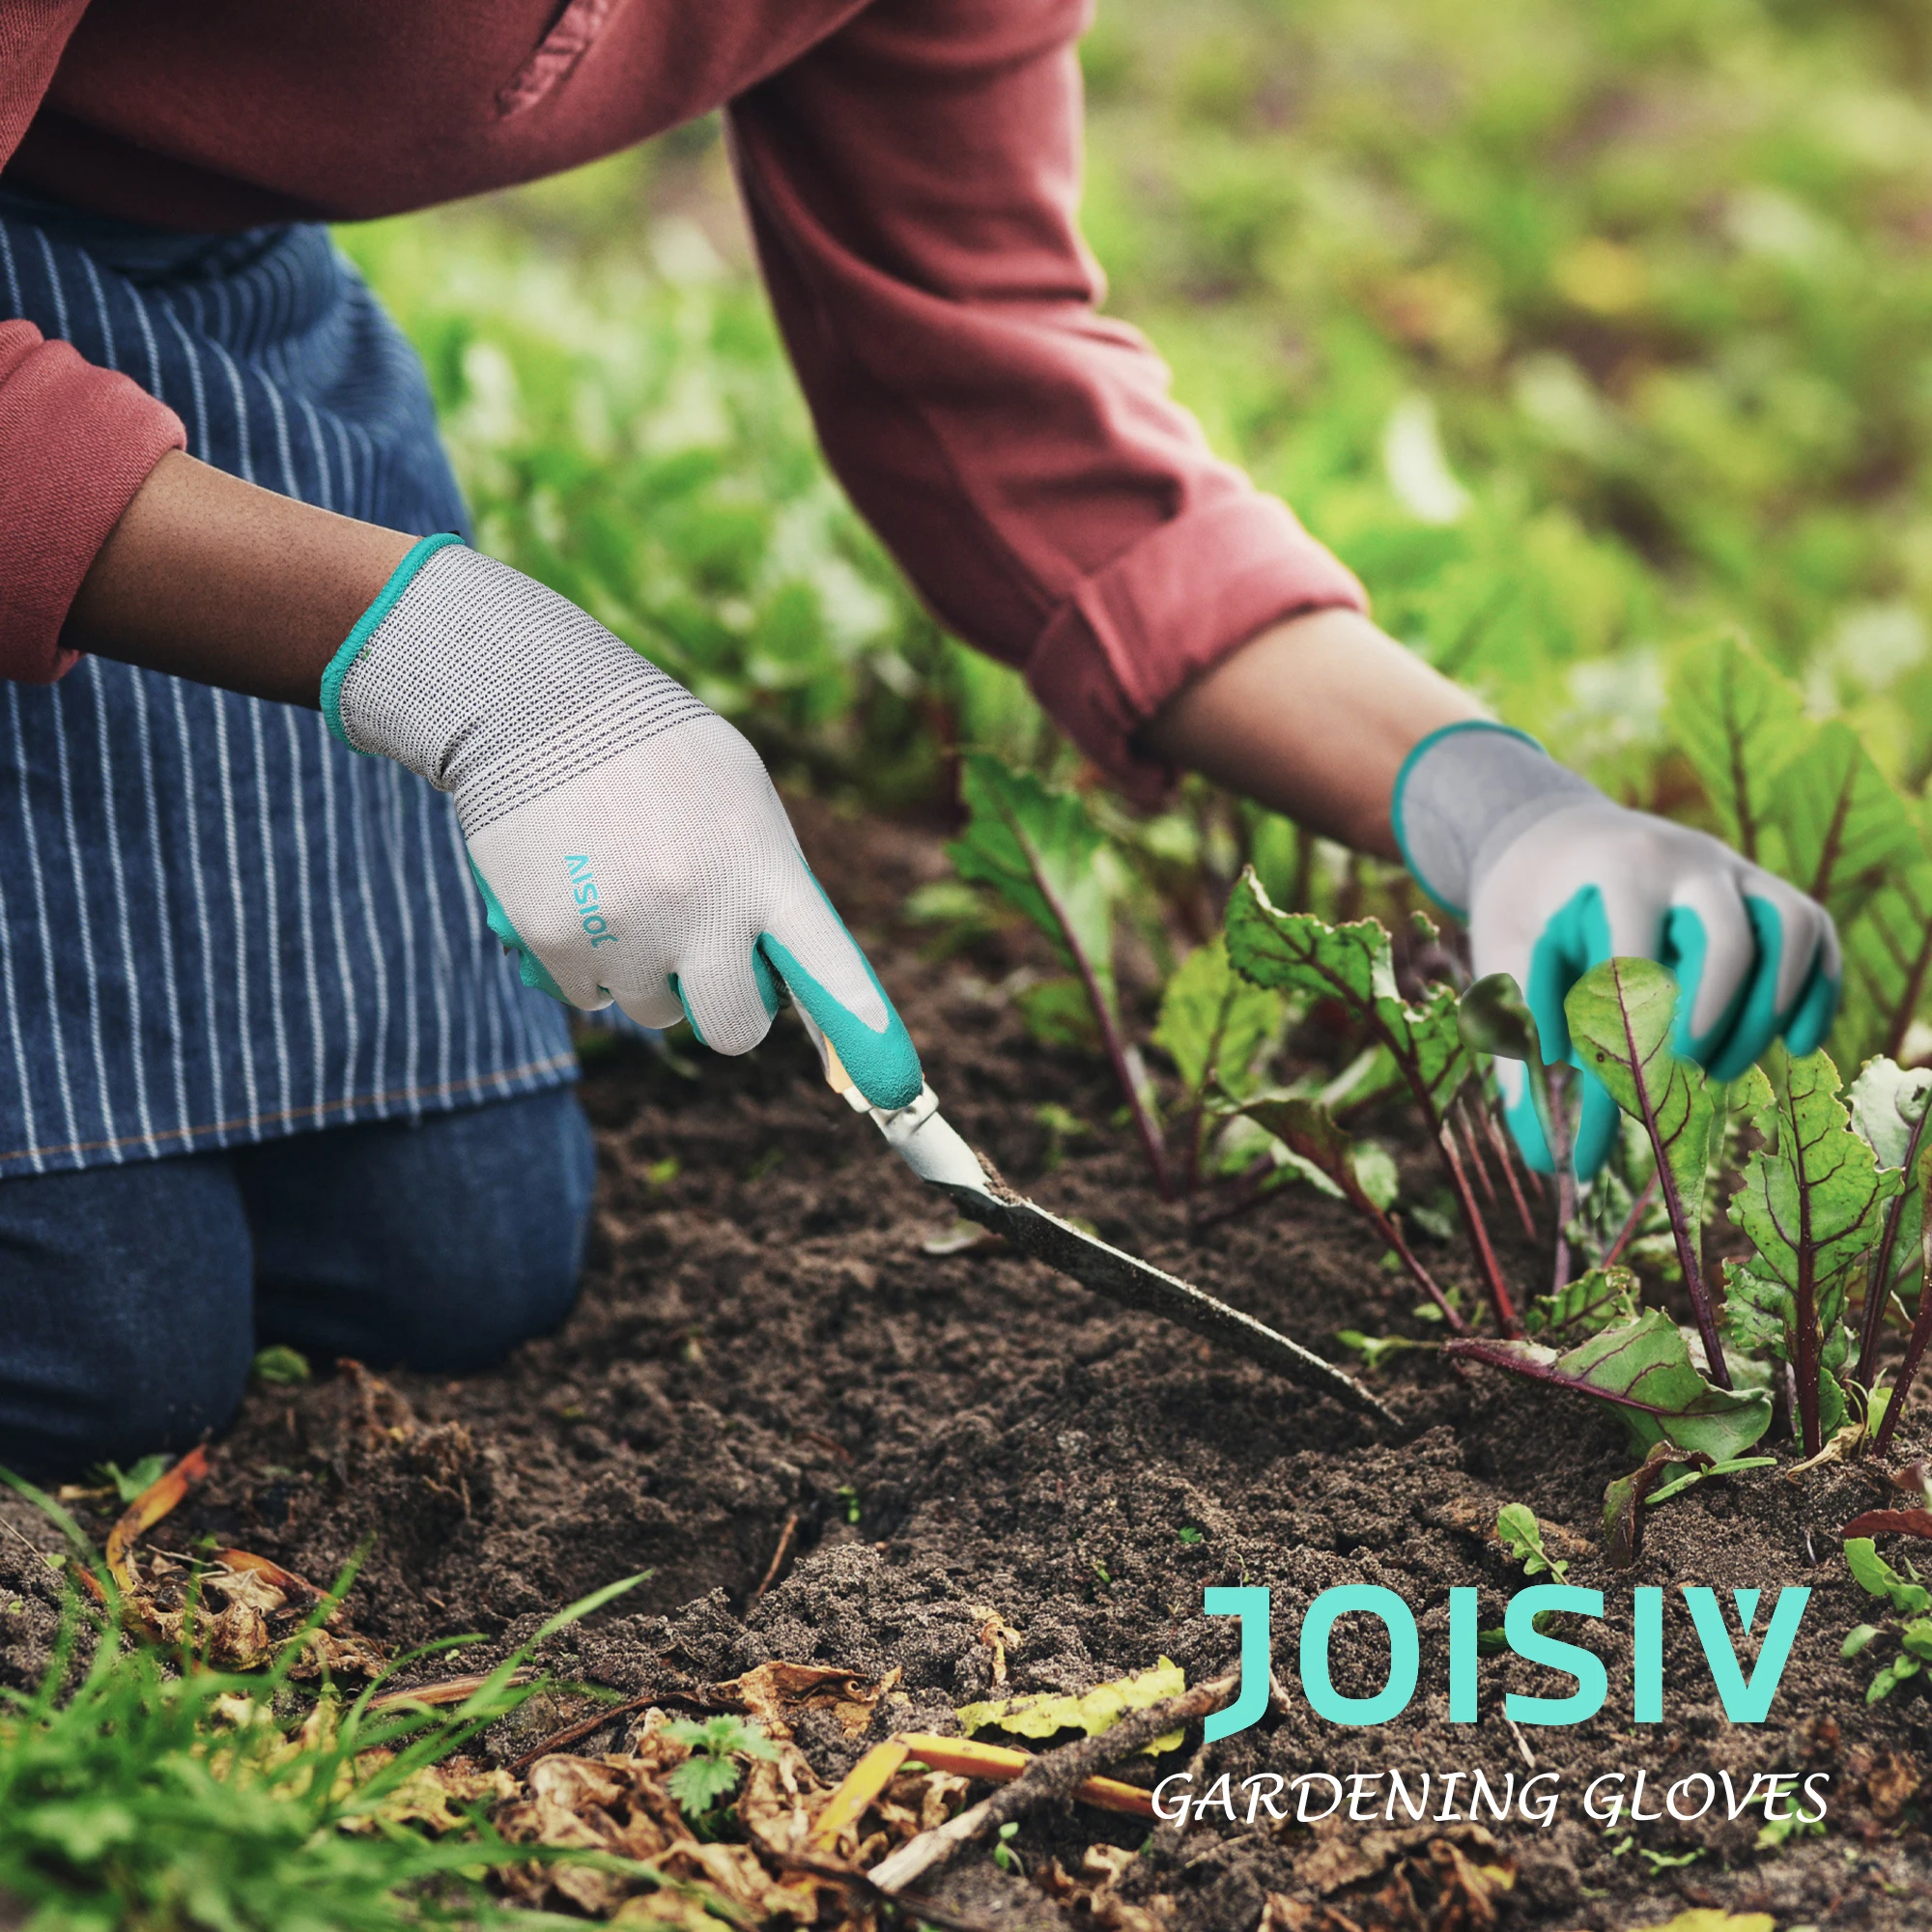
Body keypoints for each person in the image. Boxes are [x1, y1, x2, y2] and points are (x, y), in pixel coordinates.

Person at [0, 0, 1838, 1476]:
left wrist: (1492, 802)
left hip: (205, 343)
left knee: (446, 1264)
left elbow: (990, 369)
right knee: (106, 1347)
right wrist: (466, 662)